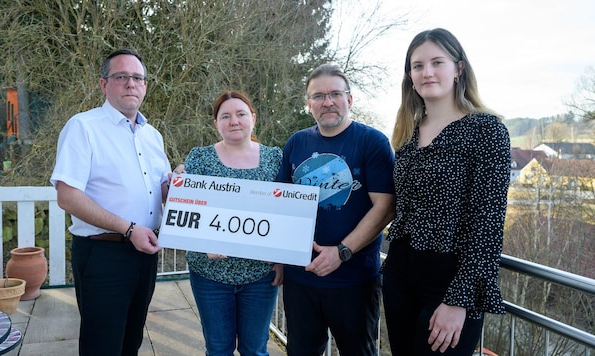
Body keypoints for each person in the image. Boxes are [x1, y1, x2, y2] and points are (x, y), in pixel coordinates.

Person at [380, 28, 511, 356]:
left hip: (451, 278)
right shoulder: (407, 136)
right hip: (400, 273)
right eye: (417, 65)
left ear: (459, 68)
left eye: (437, 62)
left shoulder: (487, 131)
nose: (427, 72)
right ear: (409, 76)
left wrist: (459, 300)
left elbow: (488, 222)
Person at [50, 49, 171, 356]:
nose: (131, 84)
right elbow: (68, 195)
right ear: (104, 85)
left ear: (144, 86)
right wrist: (129, 229)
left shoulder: (152, 136)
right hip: (103, 255)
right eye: (121, 77)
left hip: (146, 253)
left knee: (131, 341)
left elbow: (161, 191)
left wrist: (178, 188)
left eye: (138, 78)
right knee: (102, 346)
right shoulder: (83, 127)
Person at [276, 63, 396, 355]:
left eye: (335, 94)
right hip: (300, 280)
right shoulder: (296, 143)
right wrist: (279, 259)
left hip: (354, 281)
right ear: (308, 104)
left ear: (349, 99)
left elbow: (386, 207)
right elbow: (282, 205)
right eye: (318, 96)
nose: (327, 102)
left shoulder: (372, 142)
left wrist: (341, 252)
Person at [181, 90, 283, 356]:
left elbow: (286, 215)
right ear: (216, 123)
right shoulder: (199, 158)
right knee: (218, 349)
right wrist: (203, 240)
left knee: (255, 350)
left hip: (261, 275)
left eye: (240, 114)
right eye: (225, 116)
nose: (234, 120)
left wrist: (283, 259)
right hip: (210, 274)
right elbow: (185, 212)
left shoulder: (276, 159)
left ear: (253, 118)